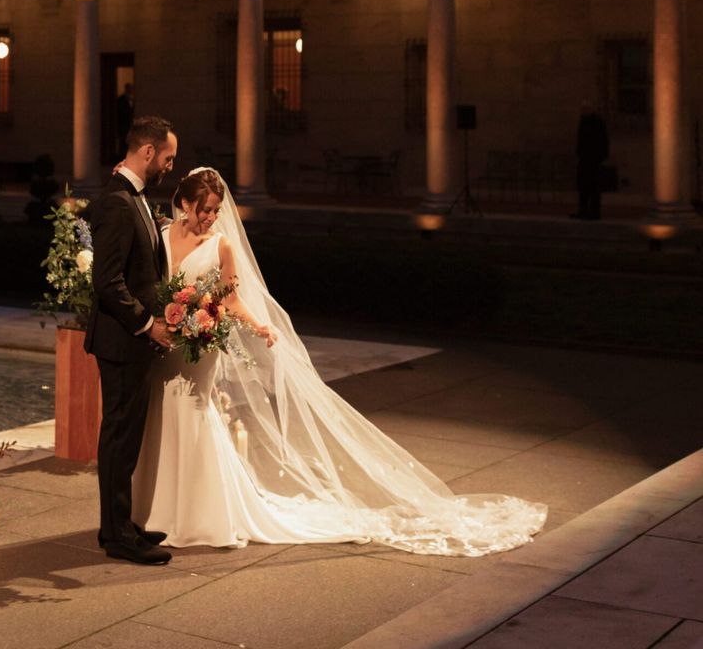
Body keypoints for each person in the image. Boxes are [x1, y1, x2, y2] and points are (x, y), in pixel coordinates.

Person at [132, 167, 547, 554]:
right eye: (204, 211)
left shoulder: (220, 245)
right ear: (184, 204)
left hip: (200, 348)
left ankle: (202, 515)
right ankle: (160, 511)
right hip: (168, 345)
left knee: (197, 416)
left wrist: (259, 326)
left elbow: (230, 296)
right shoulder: (164, 237)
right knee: (163, 414)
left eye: (216, 211)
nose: (210, 218)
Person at [84, 116, 179, 565]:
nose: (169, 166)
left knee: (126, 437)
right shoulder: (118, 202)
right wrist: (148, 324)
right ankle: (118, 536)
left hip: (130, 342)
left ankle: (120, 526)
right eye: (167, 157)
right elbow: (107, 281)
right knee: (119, 438)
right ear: (147, 152)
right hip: (122, 341)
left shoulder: (133, 198)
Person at [574, 101, 609, 220]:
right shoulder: (584, 121)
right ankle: (583, 211)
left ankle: (594, 212)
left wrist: (600, 157)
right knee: (583, 186)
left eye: (585, 109)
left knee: (593, 187)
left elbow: (603, 141)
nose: (582, 111)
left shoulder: (597, 123)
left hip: (593, 160)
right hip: (585, 159)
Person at [115, 83, 135, 158]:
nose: (130, 90)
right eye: (129, 88)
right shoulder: (120, 100)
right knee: (123, 143)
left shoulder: (134, 99)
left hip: (131, 126)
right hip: (123, 126)